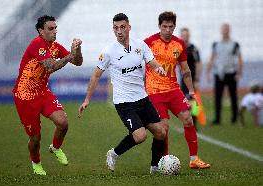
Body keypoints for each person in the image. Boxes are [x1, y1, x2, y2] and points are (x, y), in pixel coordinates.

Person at [78, 13, 166, 172]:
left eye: (122, 27)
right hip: (124, 102)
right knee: (140, 136)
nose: (119, 31)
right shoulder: (108, 52)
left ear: (129, 27)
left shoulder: (140, 45)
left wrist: (158, 67)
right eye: (116, 28)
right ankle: (114, 153)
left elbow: (151, 61)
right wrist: (87, 99)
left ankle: (155, 167)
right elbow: (96, 75)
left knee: (160, 132)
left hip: (142, 98)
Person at [13, 15, 83, 175]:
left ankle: (55, 147)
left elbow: (78, 62)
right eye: (50, 29)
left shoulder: (55, 46)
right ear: (41, 31)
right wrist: (70, 55)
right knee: (35, 138)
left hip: (43, 92)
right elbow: (50, 67)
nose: (54, 31)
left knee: (63, 123)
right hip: (25, 96)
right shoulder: (37, 44)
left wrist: (76, 50)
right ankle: (36, 163)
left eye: (55, 28)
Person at [144, 11, 210, 171]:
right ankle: (164, 162)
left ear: (174, 26)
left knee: (188, 118)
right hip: (154, 91)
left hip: (173, 89)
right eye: (164, 26)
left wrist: (192, 91)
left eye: (171, 26)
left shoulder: (179, 44)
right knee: (164, 127)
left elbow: (185, 70)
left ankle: (194, 159)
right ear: (159, 26)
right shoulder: (148, 42)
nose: (167, 29)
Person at [206, 23, 244, 125]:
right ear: (221, 30)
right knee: (218, 97)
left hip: (231, 73)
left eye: (227, 29)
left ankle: (234, 118)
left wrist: (239, 73)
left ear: (229, 30)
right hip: (219, 73)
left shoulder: (235, 44)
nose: (225, 31)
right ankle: (217, 119)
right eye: (224, 29)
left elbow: (240, 59)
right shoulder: (216, 44)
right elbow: (212, 58)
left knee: (233, 96)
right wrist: (208, 72)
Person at [179, 27, 203, 129]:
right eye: (183, 35)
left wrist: (197, 79)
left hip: (192, 80)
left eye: (186, 35)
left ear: (189, 36)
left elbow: (198, 64)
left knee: (194, 102)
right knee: (184, 101)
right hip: (183, 80)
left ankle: (195, 123)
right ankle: (188, 122)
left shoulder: (194, 49)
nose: (185, 37)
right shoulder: (178, 48)